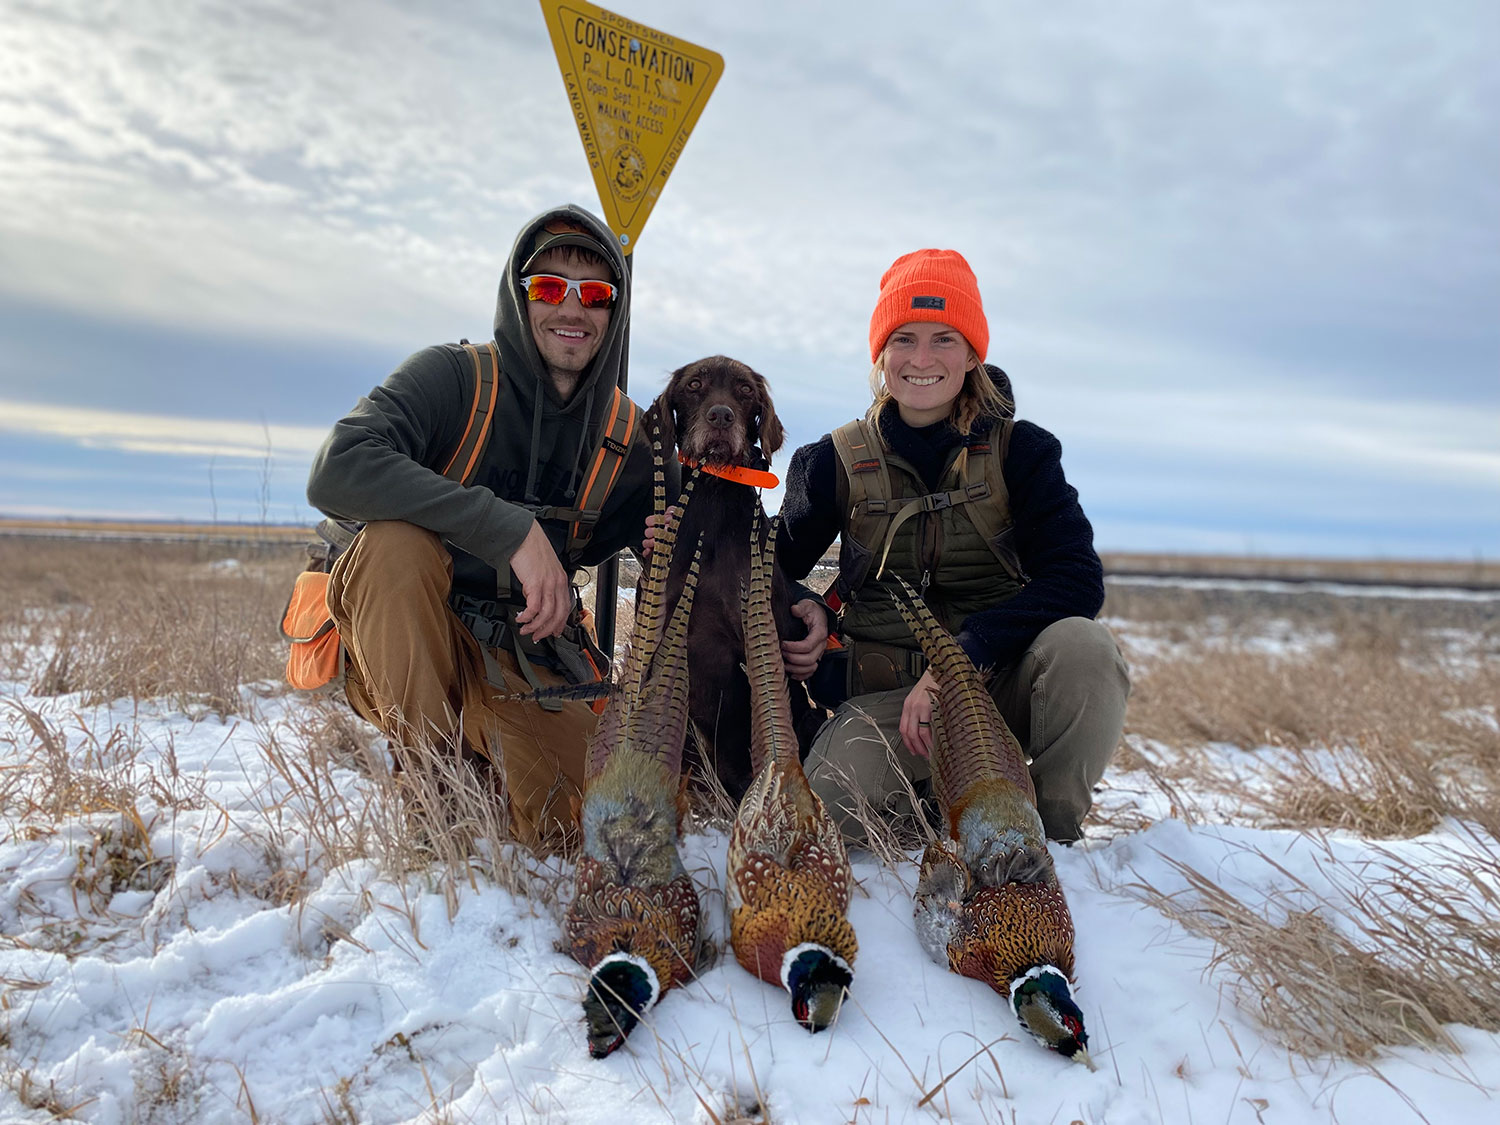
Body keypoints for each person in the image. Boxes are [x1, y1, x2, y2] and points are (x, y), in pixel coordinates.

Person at [306, 204, 660, 851]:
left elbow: (685, 542)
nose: (572, 309)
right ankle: (433, 784)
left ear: (616, 311)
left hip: (523, 657)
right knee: (395, 544)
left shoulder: (625, 436)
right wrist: (509, 529)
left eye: (596, 294)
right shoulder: (452, 379)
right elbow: (336, 468)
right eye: (550, 288)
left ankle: (484, 752)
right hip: (411, 639)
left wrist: (794, 602)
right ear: (519, 295)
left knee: (580, 820)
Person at [778, 249, 1130, 844]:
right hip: (891, 702)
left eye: (944, 339)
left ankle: (1047, 833)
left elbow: (1076, 580)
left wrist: (962, 658)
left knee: (1086, 648)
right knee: (825, 821)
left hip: (999, 686)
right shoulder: (832, 461)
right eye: (904, 339)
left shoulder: (1023, 452)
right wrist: (801, 601)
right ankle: (940, 812)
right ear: (881, 354)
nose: (922, 359)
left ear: (972, 354)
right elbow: (767, 562)